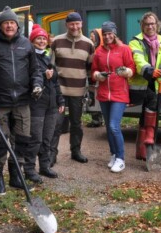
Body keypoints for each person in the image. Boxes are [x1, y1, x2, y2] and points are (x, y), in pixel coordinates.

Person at [0, 7, 43, 194]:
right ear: (0, 25)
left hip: (23, 101)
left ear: (17, 25)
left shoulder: (26, 44)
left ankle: (16, 176)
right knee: (0, 142)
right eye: (6, 23)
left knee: (22, 140)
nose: (9, 26)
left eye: (12, 23)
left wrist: (37, 84)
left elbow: (35, 70)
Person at [128, 11, 161, 160]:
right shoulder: (135, 41)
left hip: (156, 83)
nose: (150, 26)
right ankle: (146, 142)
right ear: (142, 26)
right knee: (149, 111)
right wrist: (149, 70)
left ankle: (142, 151)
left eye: (152, 23)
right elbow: (138, 59)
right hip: (141, 83)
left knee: (148, 114)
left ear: (157, 25)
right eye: (147, 24)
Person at [50, 12, 95, 164]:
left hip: (78, 91)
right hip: (59, 91)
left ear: (81, 24)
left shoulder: (89, 44)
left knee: (76, 123)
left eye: (77, 23)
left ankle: (76, 151)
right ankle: (51, 154)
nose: (74, 27)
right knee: (56, 124)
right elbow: (50, 66)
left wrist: (91, 90)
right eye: (71, 24)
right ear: (66, 25)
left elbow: (90, 69)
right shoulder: (56, 41)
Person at [91, 21, 135, 173]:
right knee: (108, 128)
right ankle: (114, 154)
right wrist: (98, 75)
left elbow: (132, 67)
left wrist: (126, 72)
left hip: (119, 93)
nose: (107, 36)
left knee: (113, 126)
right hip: (104, 94)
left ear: (114, 34)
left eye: (110, 33)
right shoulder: (99, 52)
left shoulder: (124, 49)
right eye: (105, 34)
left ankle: (121, 159)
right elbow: (94, 69)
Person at [26, 25, 65, 180]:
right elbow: (28, 78)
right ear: (32, 41)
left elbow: (55, 82)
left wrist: (60, 100)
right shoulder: (29, 58)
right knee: (35, 138)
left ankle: (44, 167)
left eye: (43, 38)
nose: (41, 41)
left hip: (51, 105)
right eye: (38, 38)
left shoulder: (48, 58)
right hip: (36, 104)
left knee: (48, 138)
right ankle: (29, 169)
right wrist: (43, 75)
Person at [86, 28, 105, 128]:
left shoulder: (100, 50)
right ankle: (96, 119)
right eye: (90, 36)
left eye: (93, 36)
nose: (91, 38)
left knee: (96, 98)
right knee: (92, 97)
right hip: (91, 78)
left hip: (98, 79)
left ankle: (98, 119)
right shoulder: (92, 48)